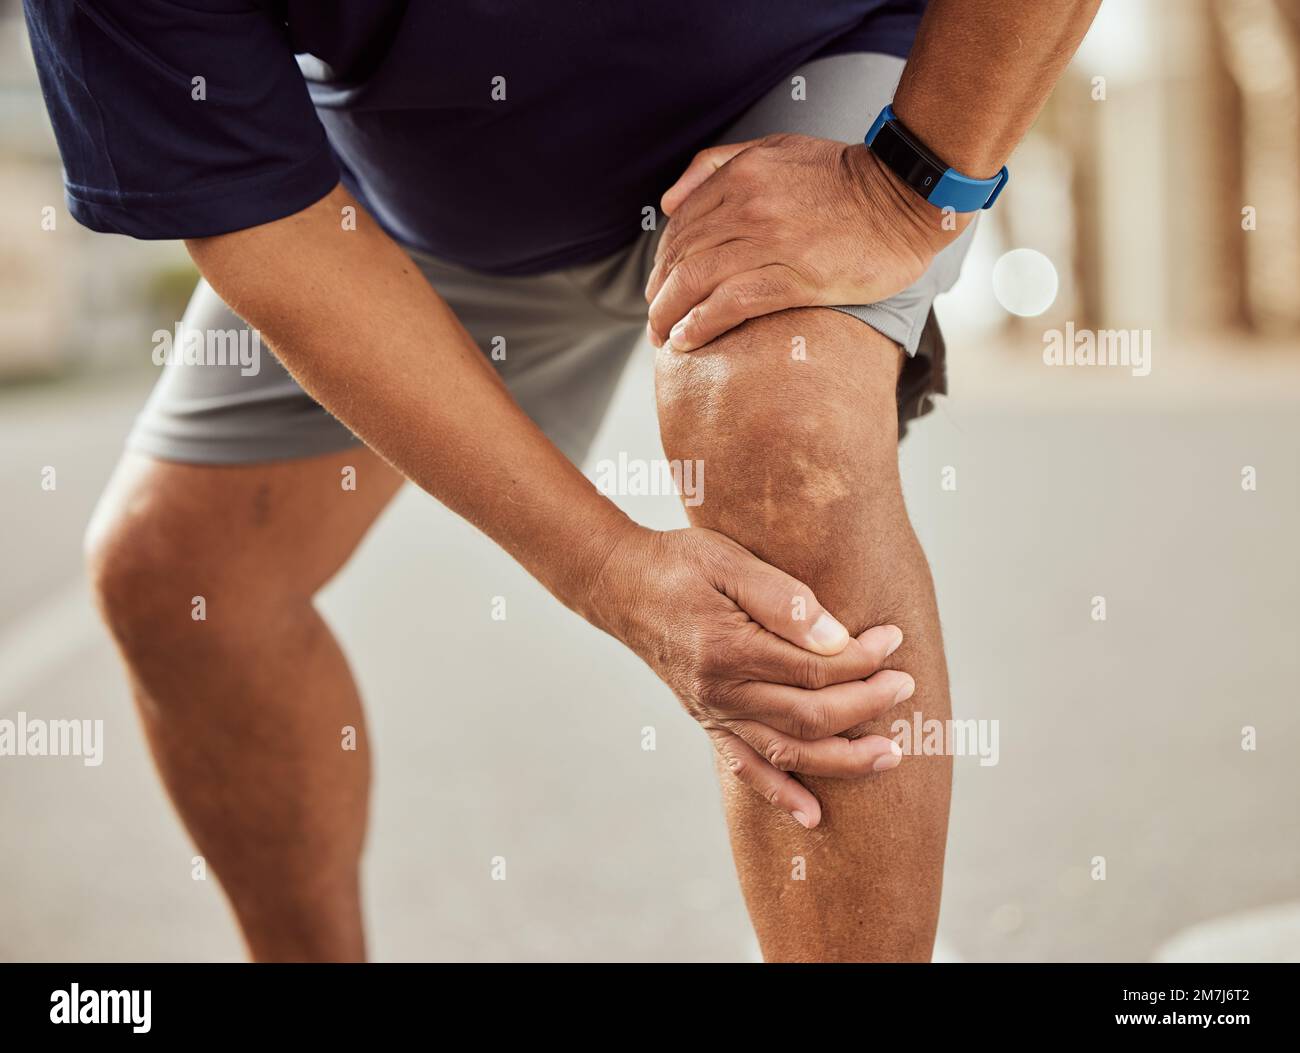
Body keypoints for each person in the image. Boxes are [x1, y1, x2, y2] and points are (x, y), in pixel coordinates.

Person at [23, 0, 1099, 961]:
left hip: (818, 90)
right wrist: (601, 568)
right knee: (176, 581)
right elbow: (256, 221)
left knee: (782, 439)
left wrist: (906, 189)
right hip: (437, 201)